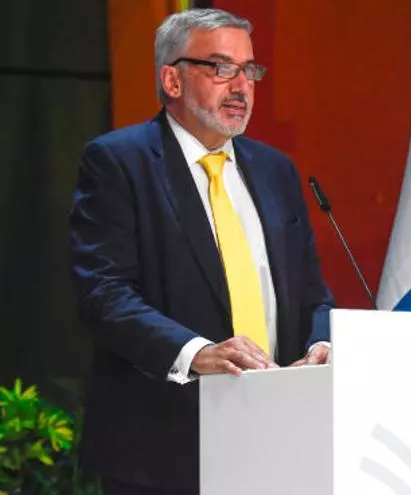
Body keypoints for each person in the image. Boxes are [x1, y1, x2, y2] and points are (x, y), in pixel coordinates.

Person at [69, 8, 333, 494]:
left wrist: (322, 344)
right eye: (221, 68)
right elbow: (104, 294)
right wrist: (198, 353)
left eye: (249, 70)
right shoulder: (119, 162)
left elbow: (312, 293)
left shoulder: (275, 170)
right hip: (163, 443)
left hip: (278, 435)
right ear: (172, 79)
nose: (241, 86)